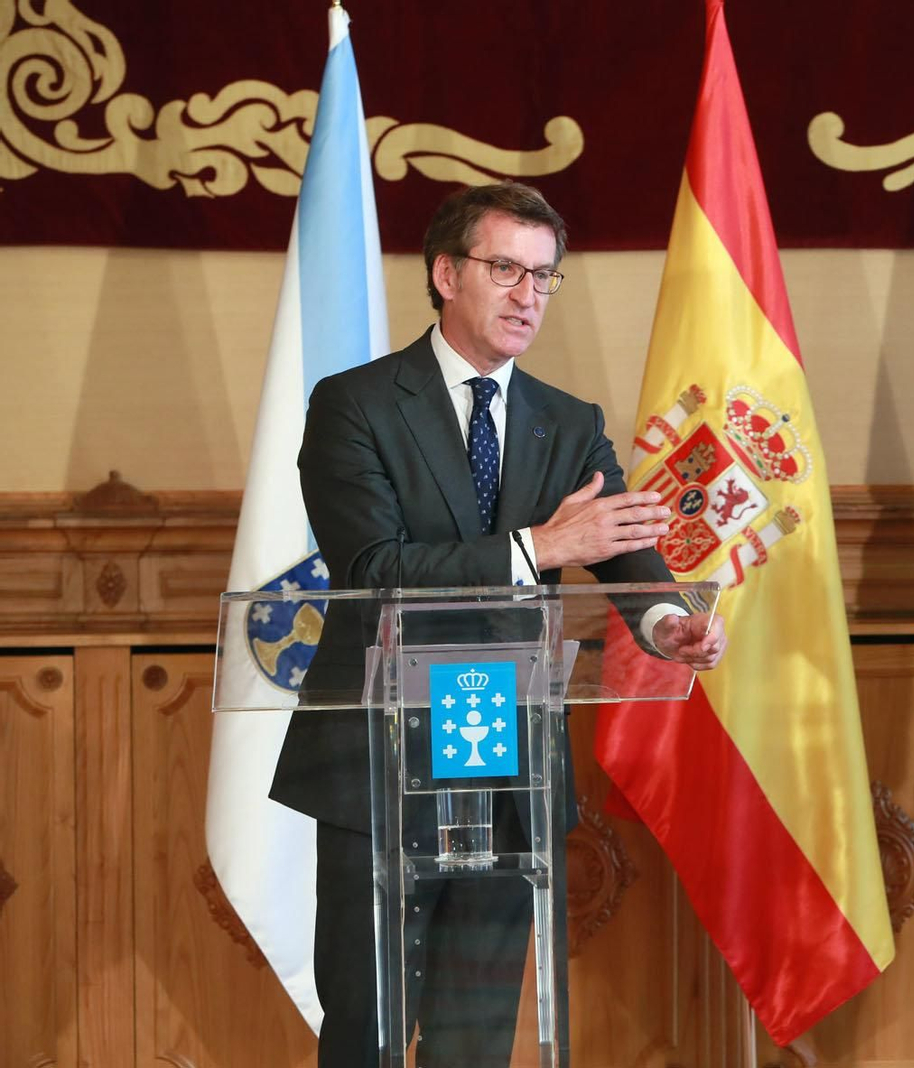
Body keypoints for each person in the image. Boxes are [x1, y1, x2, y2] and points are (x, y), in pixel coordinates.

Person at [270, 181, 726, 1067]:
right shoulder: (355, 404)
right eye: (506, 270)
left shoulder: (568, 422)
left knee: (475, 1045)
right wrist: (540, 547)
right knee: (366, 1034)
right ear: (446, 274)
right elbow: (374, 570)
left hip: (505, 766)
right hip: (380, 765)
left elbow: (623, 549)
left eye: (544, 276)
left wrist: (668, 621)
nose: (528, 296)